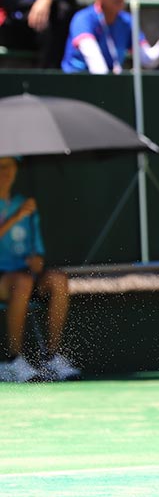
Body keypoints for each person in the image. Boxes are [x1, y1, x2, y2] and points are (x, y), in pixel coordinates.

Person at [0, 156, 78, 383]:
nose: (6, 172)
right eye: (1, 166)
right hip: (6, 280)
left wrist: (37, 261)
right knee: (22, 282)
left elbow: (38, 252)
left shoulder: (27, 205)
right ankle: (13, 361)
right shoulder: (21, 210)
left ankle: (51, 358)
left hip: (26, 277)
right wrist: (15, 217)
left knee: (58, 280)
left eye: (10, 166)